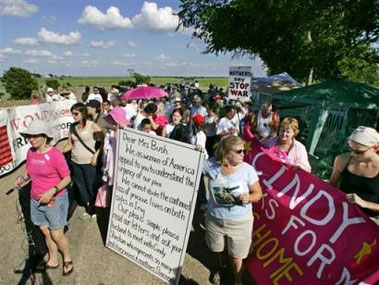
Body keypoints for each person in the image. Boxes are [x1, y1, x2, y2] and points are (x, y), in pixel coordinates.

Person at [203, 136, 262, 285]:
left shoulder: (248, 170)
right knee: (218, 248)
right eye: (239, 151)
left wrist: (249, 197)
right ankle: (222, 267)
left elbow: (258, 193)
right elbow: (191, 166)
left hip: (240, 222)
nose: (243, 153)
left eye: (244, 150)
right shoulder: (211, 165)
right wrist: (197, 152)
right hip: (215, 219)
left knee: (237, 256)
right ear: (226, 152)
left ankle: (237, 281)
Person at [18, 120, 73, 276]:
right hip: (35, 199)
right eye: (29, 136)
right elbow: (29, 172)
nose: (31, 139)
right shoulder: (31, 152)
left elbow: (67, 178)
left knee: (56, 234)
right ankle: (53, 259)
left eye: (35, 136)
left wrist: (52, 191)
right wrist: (23, 177)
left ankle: (67, 257)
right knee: (45, 231)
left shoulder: (55, 154)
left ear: (45, 136)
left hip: (55, 200)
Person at [62, 103, 104, 220]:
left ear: (83, 113)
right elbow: (69, 144)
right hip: (76, 162)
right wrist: (59, 152)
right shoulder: (72, 127)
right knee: (81, 186)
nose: (73, 116)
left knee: (91, 186)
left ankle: (95, 210)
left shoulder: (93, 126)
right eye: (72, 114)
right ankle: (88, 207)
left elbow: (102, 142)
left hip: (89, 162)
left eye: (76, 113)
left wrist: (96, 155)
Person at [329, 126, 379, 220]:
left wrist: (365, 204)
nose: (353, 154)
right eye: (350, 149)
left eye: (359, 151)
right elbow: (330, 187)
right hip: (341, 214)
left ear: (375, 148)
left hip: (367, 221)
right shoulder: (342, 160)